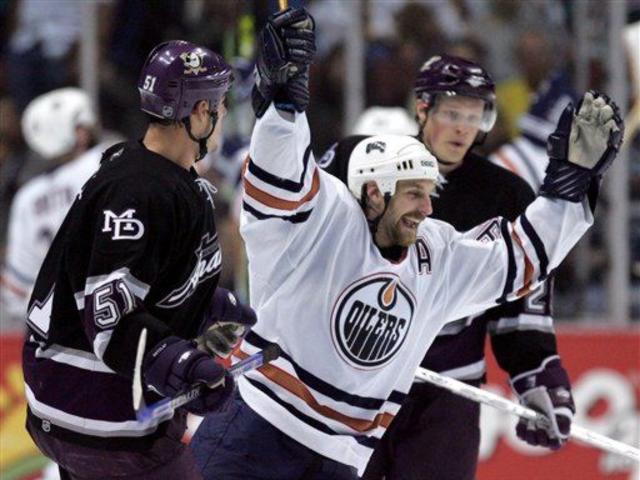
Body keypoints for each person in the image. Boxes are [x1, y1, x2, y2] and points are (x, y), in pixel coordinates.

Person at [190, 8, 623, 479]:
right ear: (374, 191)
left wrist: (567, 191)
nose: (428, 207)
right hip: (256, 429)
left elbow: (518, 259)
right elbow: (278, 180)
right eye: (415, 193)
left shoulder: (436, 253)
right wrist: (282, 105)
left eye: (430, 191)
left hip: (343, 455)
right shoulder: (324, 218)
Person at [22, 40, 257, 479]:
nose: (224, 116)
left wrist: (203, 308)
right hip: (95, 411)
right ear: (199, 112)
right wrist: (182, 365)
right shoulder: (137, 191)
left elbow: (150, 282)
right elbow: (109, 316)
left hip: (81, 405)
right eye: (220, 105)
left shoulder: (164, 178)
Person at [333, 56, 574, 480]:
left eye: (474, 114)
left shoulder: (505, 193)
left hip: (446, 395)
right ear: (422, 109)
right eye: (451, 113)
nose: (464, 127)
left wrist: (538, 375)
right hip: (355, 383)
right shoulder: (362, 164)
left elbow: (518, 303)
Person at [0, 88, 111, 327]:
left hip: (52, 332)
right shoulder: (108, 166)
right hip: (117, 317)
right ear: (79, 133)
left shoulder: (27, 198)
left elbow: (15, 290)